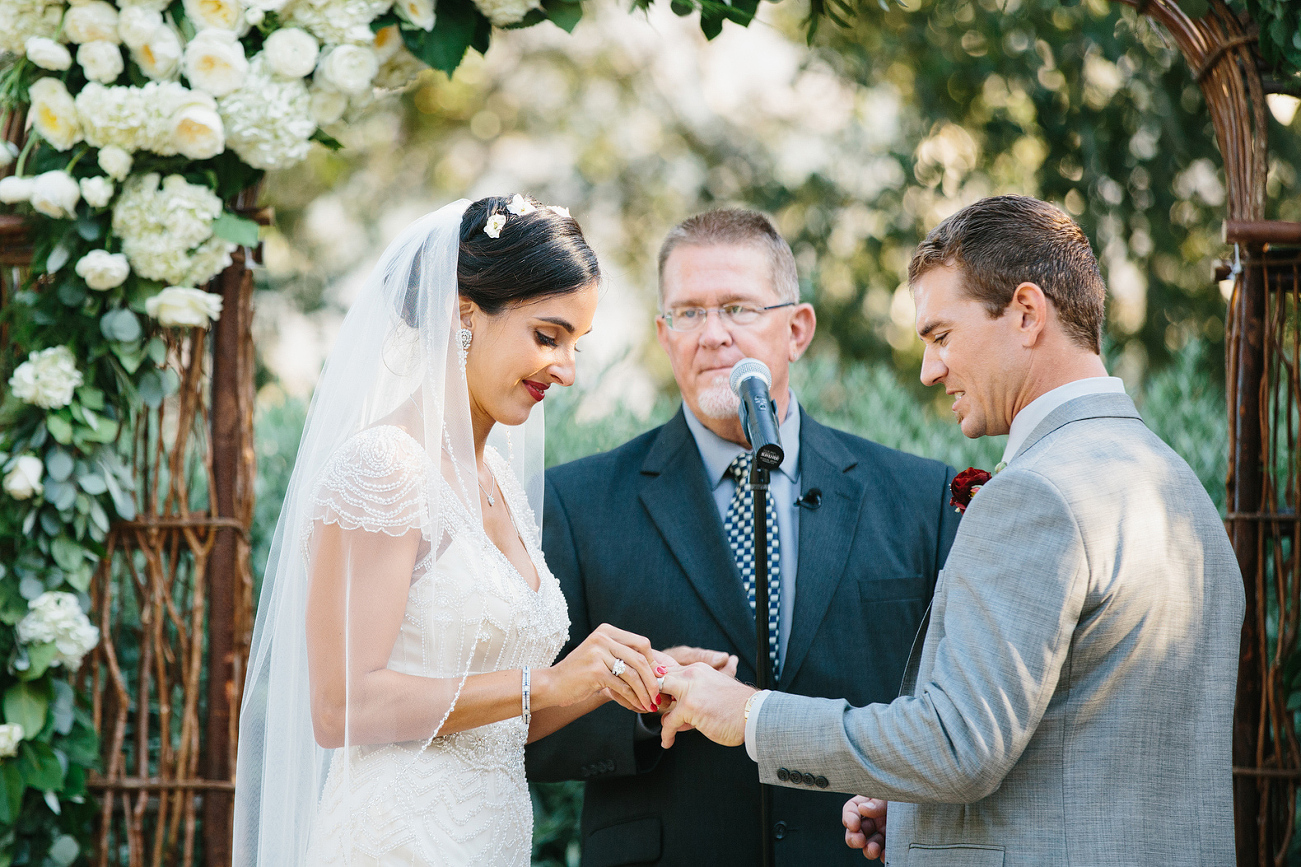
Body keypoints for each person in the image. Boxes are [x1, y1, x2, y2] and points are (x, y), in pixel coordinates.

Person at [654, 195, 1245, 866]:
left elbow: (959, 745)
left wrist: (750, 715)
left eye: (939, 335)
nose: (930, 369)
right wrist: (911, 814)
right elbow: (1096, 749)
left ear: (1025, 313)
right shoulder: (1175, 485)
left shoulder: (1036, 493)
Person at [232, 196, 668, 866]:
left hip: (488, 840)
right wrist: (545, 682)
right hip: (395, 840)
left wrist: (620, 675)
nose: (567, 369)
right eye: (548, 336)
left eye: (576, 345)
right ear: (463, 316)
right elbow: (339, 704)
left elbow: (497, 724)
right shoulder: (386, 467)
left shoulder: (495, 479)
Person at [525, 209, 961, 866]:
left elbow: (954, 713)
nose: (713, 334)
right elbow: (528, 729)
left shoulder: (921, 496)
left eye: (737, 307)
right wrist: (643, 699)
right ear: (663, 335)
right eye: (688, 313)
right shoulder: (574, 500)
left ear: (797, 329)